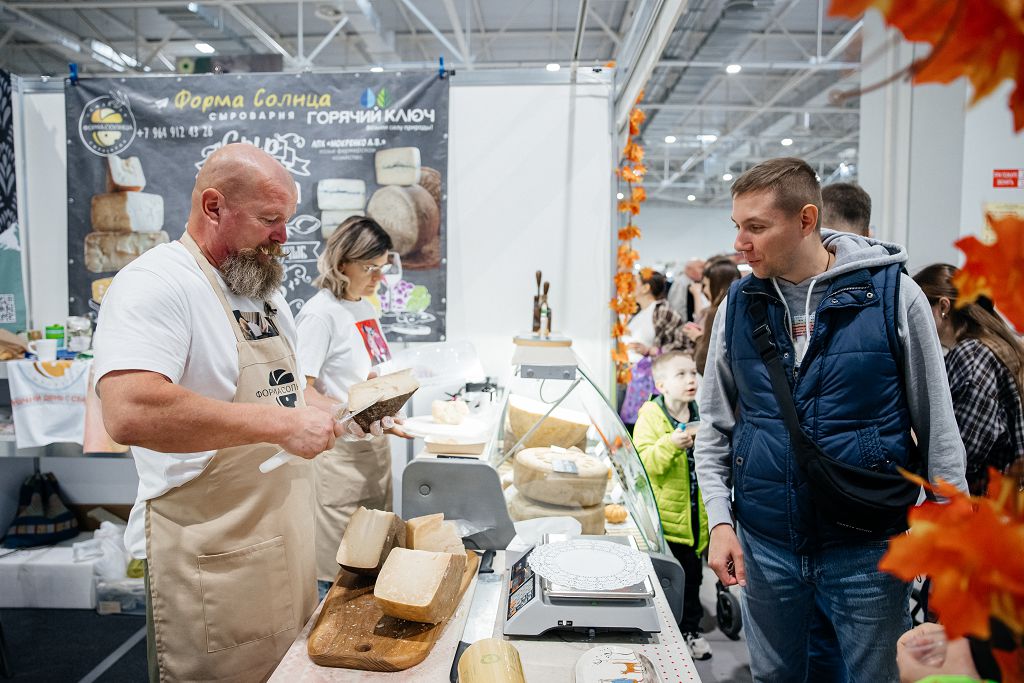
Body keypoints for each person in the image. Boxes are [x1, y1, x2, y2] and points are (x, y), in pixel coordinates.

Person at [93, 143, 389, 682]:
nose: (283, 236)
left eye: (287, 220)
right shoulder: (157, 283)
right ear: (213, 207)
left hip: (284, 545)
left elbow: (288, 395)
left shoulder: (264, 294)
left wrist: (350, 413)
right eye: (270, 219)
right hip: (212, 555)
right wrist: (283, 425)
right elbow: (129, 409)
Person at [694, 157, 968, 682]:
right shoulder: (739, 304)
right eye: (737, 226)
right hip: (766, 544)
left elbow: (939, 428)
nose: (740, 244)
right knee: (774, 677)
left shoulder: (893, 296)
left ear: (806, 219)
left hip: (867, 548)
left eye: (756, 227)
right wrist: (720, 522)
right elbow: (715, 427)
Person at [295, 216, 410, 595]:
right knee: (340, 573)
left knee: (373, 557)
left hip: (372, 453)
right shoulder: (320, 315)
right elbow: (301, 392)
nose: (378, 277)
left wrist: (386, 397)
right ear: (342, 262)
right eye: (369, 267)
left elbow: (369, 374)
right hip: (339, 457)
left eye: (382, 267)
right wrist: (345, 413)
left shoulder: (365, 308)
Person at [913, 263, 1024, 494]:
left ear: (943, 307)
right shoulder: (991, 345)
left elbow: (960, 458)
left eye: (916, 310)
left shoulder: (973, 356)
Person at [633, 351, 712, 661]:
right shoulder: (651, 415)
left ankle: (691, 630)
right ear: (661, 384)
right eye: (681, 374)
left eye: (693, 373)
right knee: (667, 581)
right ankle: (665, 635)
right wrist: (670, 445)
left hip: (696, 519)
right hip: (667, 521)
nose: (691, 379)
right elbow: (643, 463)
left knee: (693, 580)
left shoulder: (700, 413)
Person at [619, 269, 691, 428]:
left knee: (646, 426)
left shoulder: (662, 311)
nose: (630, 286)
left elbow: (683, 344)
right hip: (632, 381)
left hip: (649, 383)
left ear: (646, 288)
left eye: (635, 282)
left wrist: (652, 351)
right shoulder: (638, 311)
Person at [688, 255, 741, 375]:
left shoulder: (716, 313)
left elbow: (704, 361)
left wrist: (698, 338)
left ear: (719, 287)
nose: (704, 290)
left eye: (706, 285)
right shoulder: (739, 309)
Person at [668, 257, 706, 322]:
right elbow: (677, 308)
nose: (704, 270)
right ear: (689, 269)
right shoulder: (681, 283)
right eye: (701, 267)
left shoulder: (691, 282)